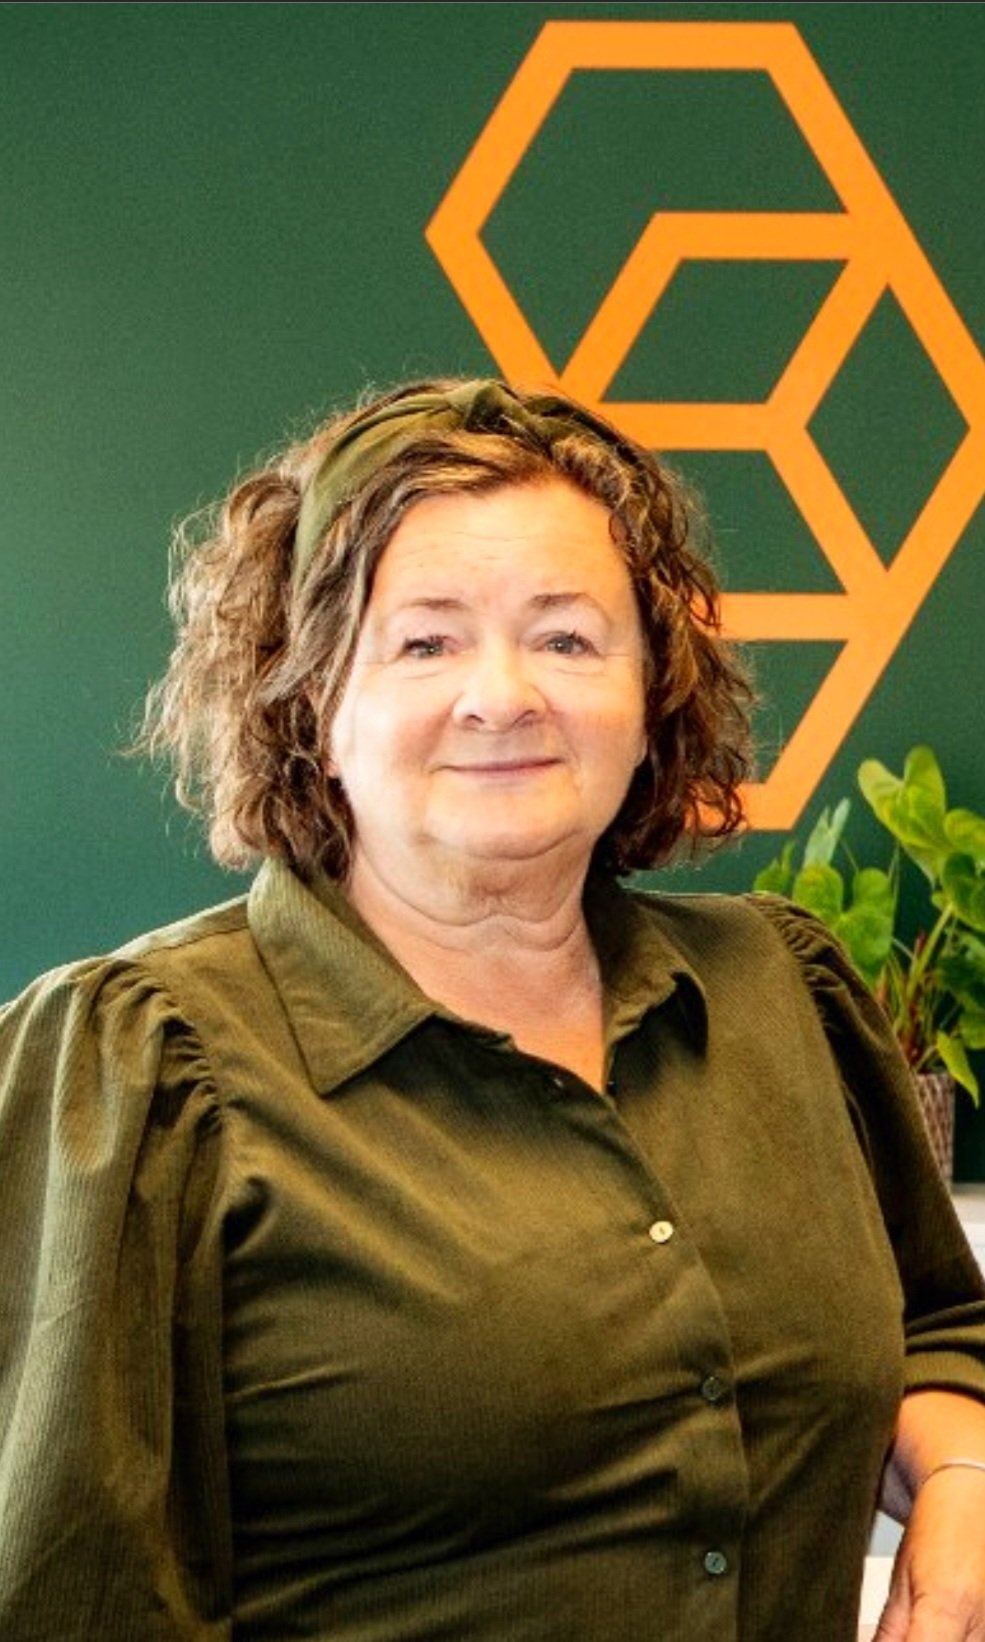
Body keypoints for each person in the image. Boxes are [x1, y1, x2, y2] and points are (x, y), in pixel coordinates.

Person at [1, 375, 985, 1642]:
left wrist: (959, 1477)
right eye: (426, 642)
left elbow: (936, 1325)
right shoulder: (140, 1068)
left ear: (652, 694)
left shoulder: (781, 992)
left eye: (566, 638)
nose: (503, 694)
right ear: (311, 702)